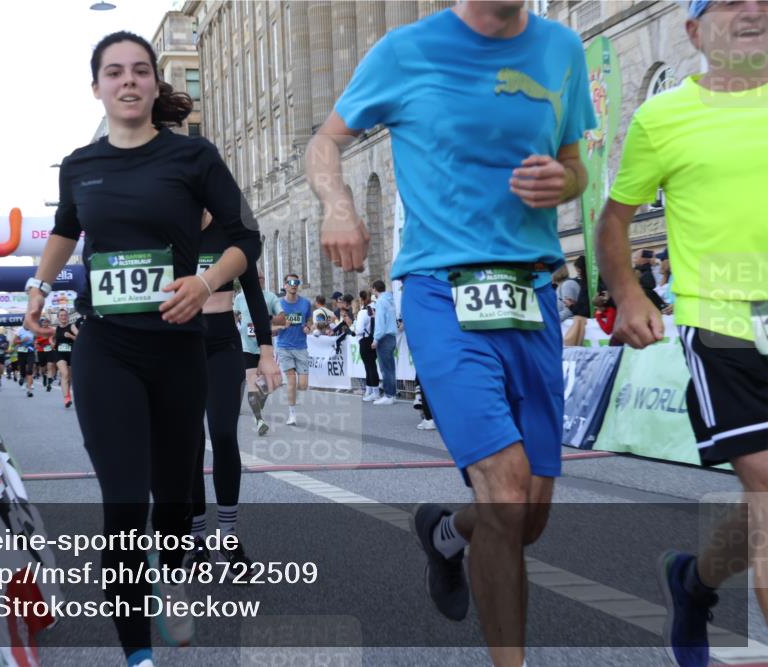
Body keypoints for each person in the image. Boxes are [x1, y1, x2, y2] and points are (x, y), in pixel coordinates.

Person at [306, 2, 595, 664]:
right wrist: (338, 203)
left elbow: (576, 164)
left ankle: (445, 533)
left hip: (532, 295)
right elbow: (324, 142)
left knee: (527, 515)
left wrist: (565, 180)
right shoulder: (405, 51)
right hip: (443, 291)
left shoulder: (562, 48)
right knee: (506, 486)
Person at [23, 31, 260, 667]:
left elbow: (245, 237)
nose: (127, 81)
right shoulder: (79, 165)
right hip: (106, 348)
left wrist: (205, 282)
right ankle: (138, 655)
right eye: (114, 72)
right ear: (97, 88)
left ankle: (174, 575)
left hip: (178, 350)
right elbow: (67, 227)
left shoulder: (194, 157)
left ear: (155, 84)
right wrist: (39, 285)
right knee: (125, 502)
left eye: (139, 71)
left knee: (174, 498)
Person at [596, 2, 768, 665]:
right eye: (729, 0)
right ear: (694, 31)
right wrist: (630, 293)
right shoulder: (662, 117)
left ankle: (693, 583)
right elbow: (615, 220)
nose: (752, 9)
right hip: (724, 327)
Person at [187, 214, 282, 576]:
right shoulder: (169, 224)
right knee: (189, 443)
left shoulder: (229, 231)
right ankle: (195, 539)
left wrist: (266, 352)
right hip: (180, 345)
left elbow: (254, 294)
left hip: (222, 345)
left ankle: (228, 536)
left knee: (224, 433)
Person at [234, 271, 287, 435]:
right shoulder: (240, 298)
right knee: (252, 384)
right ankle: (259, 421)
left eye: (260, 278)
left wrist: (267, 320)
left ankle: (258, 405)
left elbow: (282, 317)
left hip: (265, 348)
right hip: (247, 348)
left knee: (269, 386)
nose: (257, 280)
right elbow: (233, 316)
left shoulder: (270, 297)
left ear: (264, 280)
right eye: (255, 278)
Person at [276, 274, 313, 426]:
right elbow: (271, 326)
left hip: (301, 347)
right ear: (285, 285)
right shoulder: (278, 305)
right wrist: (281, 326)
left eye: (296, 282)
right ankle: (292, 414)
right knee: (291, 380)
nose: (294, 284)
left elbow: (309, 320)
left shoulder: (306, 303)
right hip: (284, 346)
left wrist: (308, 327)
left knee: (303, 385)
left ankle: (293, 395)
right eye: (290, 282)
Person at [371, 280, 398, 405]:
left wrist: (376, 339)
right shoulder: (390, 300)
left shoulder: (381, 301)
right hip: (391, 335)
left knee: (385, 368)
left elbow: (380, 322)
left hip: (384, 337)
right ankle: (392, 394)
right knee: (390, 367)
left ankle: (389, 395)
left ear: (374, 289)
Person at [355, 289, 380, 401]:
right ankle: (370, 390)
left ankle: (375, 392)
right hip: (373, 338)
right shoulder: (374, 308)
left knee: (369, 366)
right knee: (371, 365)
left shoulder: (362, 312)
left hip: (365, 340)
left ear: (362, 299)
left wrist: (354, 330)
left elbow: (359, 329)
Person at [51, 308, 78, 408]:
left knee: (69, 377)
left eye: (65, 315)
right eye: (61, 315)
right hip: (59, 354)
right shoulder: (56, 329)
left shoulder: (72, 326)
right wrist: (52, 343)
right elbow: (51, 338)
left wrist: (71, 336)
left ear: (68, 317)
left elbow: (80, 338)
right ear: (58, 317)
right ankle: (66, 398)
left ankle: (68, 394)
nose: (63, 317)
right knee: (65, 373)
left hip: (71, 353)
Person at [12, 325, 37, 398]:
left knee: (29, 370)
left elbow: (36, 340)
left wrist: (35, 343)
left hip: (30, 352)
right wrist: (22, 341)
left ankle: (29, 391)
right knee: (22, 370)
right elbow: (14, 342)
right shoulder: (19, 330)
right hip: (21, 352)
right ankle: (22, 377)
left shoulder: (33, 330)